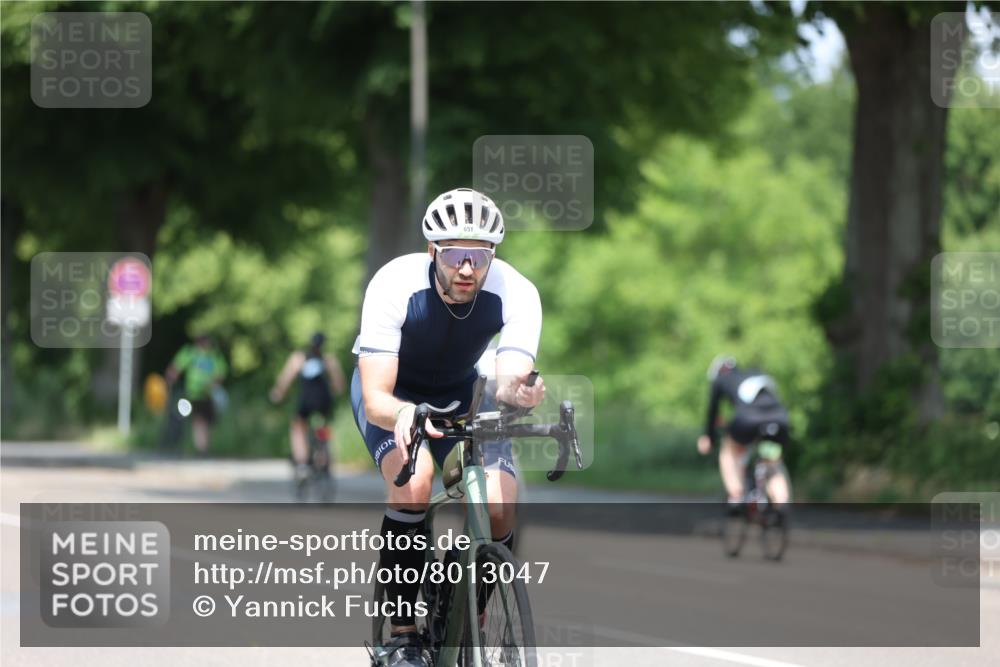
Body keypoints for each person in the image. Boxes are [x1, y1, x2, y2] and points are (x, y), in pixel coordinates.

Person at [351, 187, 544, 666]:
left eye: (480, 256)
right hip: (395, 397)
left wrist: (520, 392)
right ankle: (402, 636)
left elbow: (509, 376)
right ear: (432, 250)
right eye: (455, 255)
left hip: (463, 395)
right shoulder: (394, 283)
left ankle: (467, 611)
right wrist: (402, 414)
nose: (467, 269)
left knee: (499, 504)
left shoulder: (517, 291)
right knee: (414, 485)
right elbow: (376, 396)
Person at [697, 355, 791, 507]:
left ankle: (736, 495)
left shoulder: (721, 380)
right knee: (773, 464)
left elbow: (713, 411)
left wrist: (709, 437)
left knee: (728, 451)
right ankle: (781, 503)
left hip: (748, 420)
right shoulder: (756, 373)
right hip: (779, 419)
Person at [270, 332, 346, 482]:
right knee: (323, 426)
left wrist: (278, 394)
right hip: (324, 400)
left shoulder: (299, 357)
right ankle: (324, 457)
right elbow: (339, 385)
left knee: (298, 426)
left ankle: (303, 463)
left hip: (306, 400)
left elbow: (285, 379)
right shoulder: (328, 359)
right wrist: (334, 391)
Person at [165, 334, 228, 454]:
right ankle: (201, 448)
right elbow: (176, 367)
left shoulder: (213, 355)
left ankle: (203, 447)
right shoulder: (190, 353)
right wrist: (171, 378)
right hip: (193, 394)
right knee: (199, 420)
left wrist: (213, 384)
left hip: (209, 395)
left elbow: (221, 373)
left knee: (207, 421)